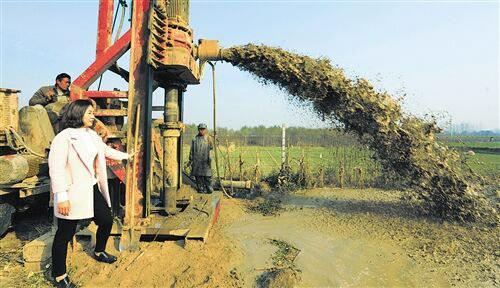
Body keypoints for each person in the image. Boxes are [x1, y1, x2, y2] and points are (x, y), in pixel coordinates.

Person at [48, 99, 131, 288]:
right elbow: (57, 169)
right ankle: (59, 275)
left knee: (106, 220)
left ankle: (99, 251)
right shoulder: (64, 138)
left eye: (93, 113)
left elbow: (106, 150)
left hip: (90, 187)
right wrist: (61, 196)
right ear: (78, 114)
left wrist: (127, 156)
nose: (93, 116)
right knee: (65, 233)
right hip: (71, 191)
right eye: (89, 113)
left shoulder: (91, 135)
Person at [187, 123, 214, 194]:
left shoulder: (208, 138)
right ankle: (201, 191)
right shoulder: (195, 139)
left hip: (206, 162)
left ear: (206, 130)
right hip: (197, 162)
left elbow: (212, 149)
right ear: (198, 129)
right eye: (200, 129)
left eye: (203, 129)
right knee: (198, 178)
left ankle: (209, 191)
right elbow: (191, 150)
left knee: (207, 178)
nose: (202, 131)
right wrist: (190, 159)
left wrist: (210, 159)